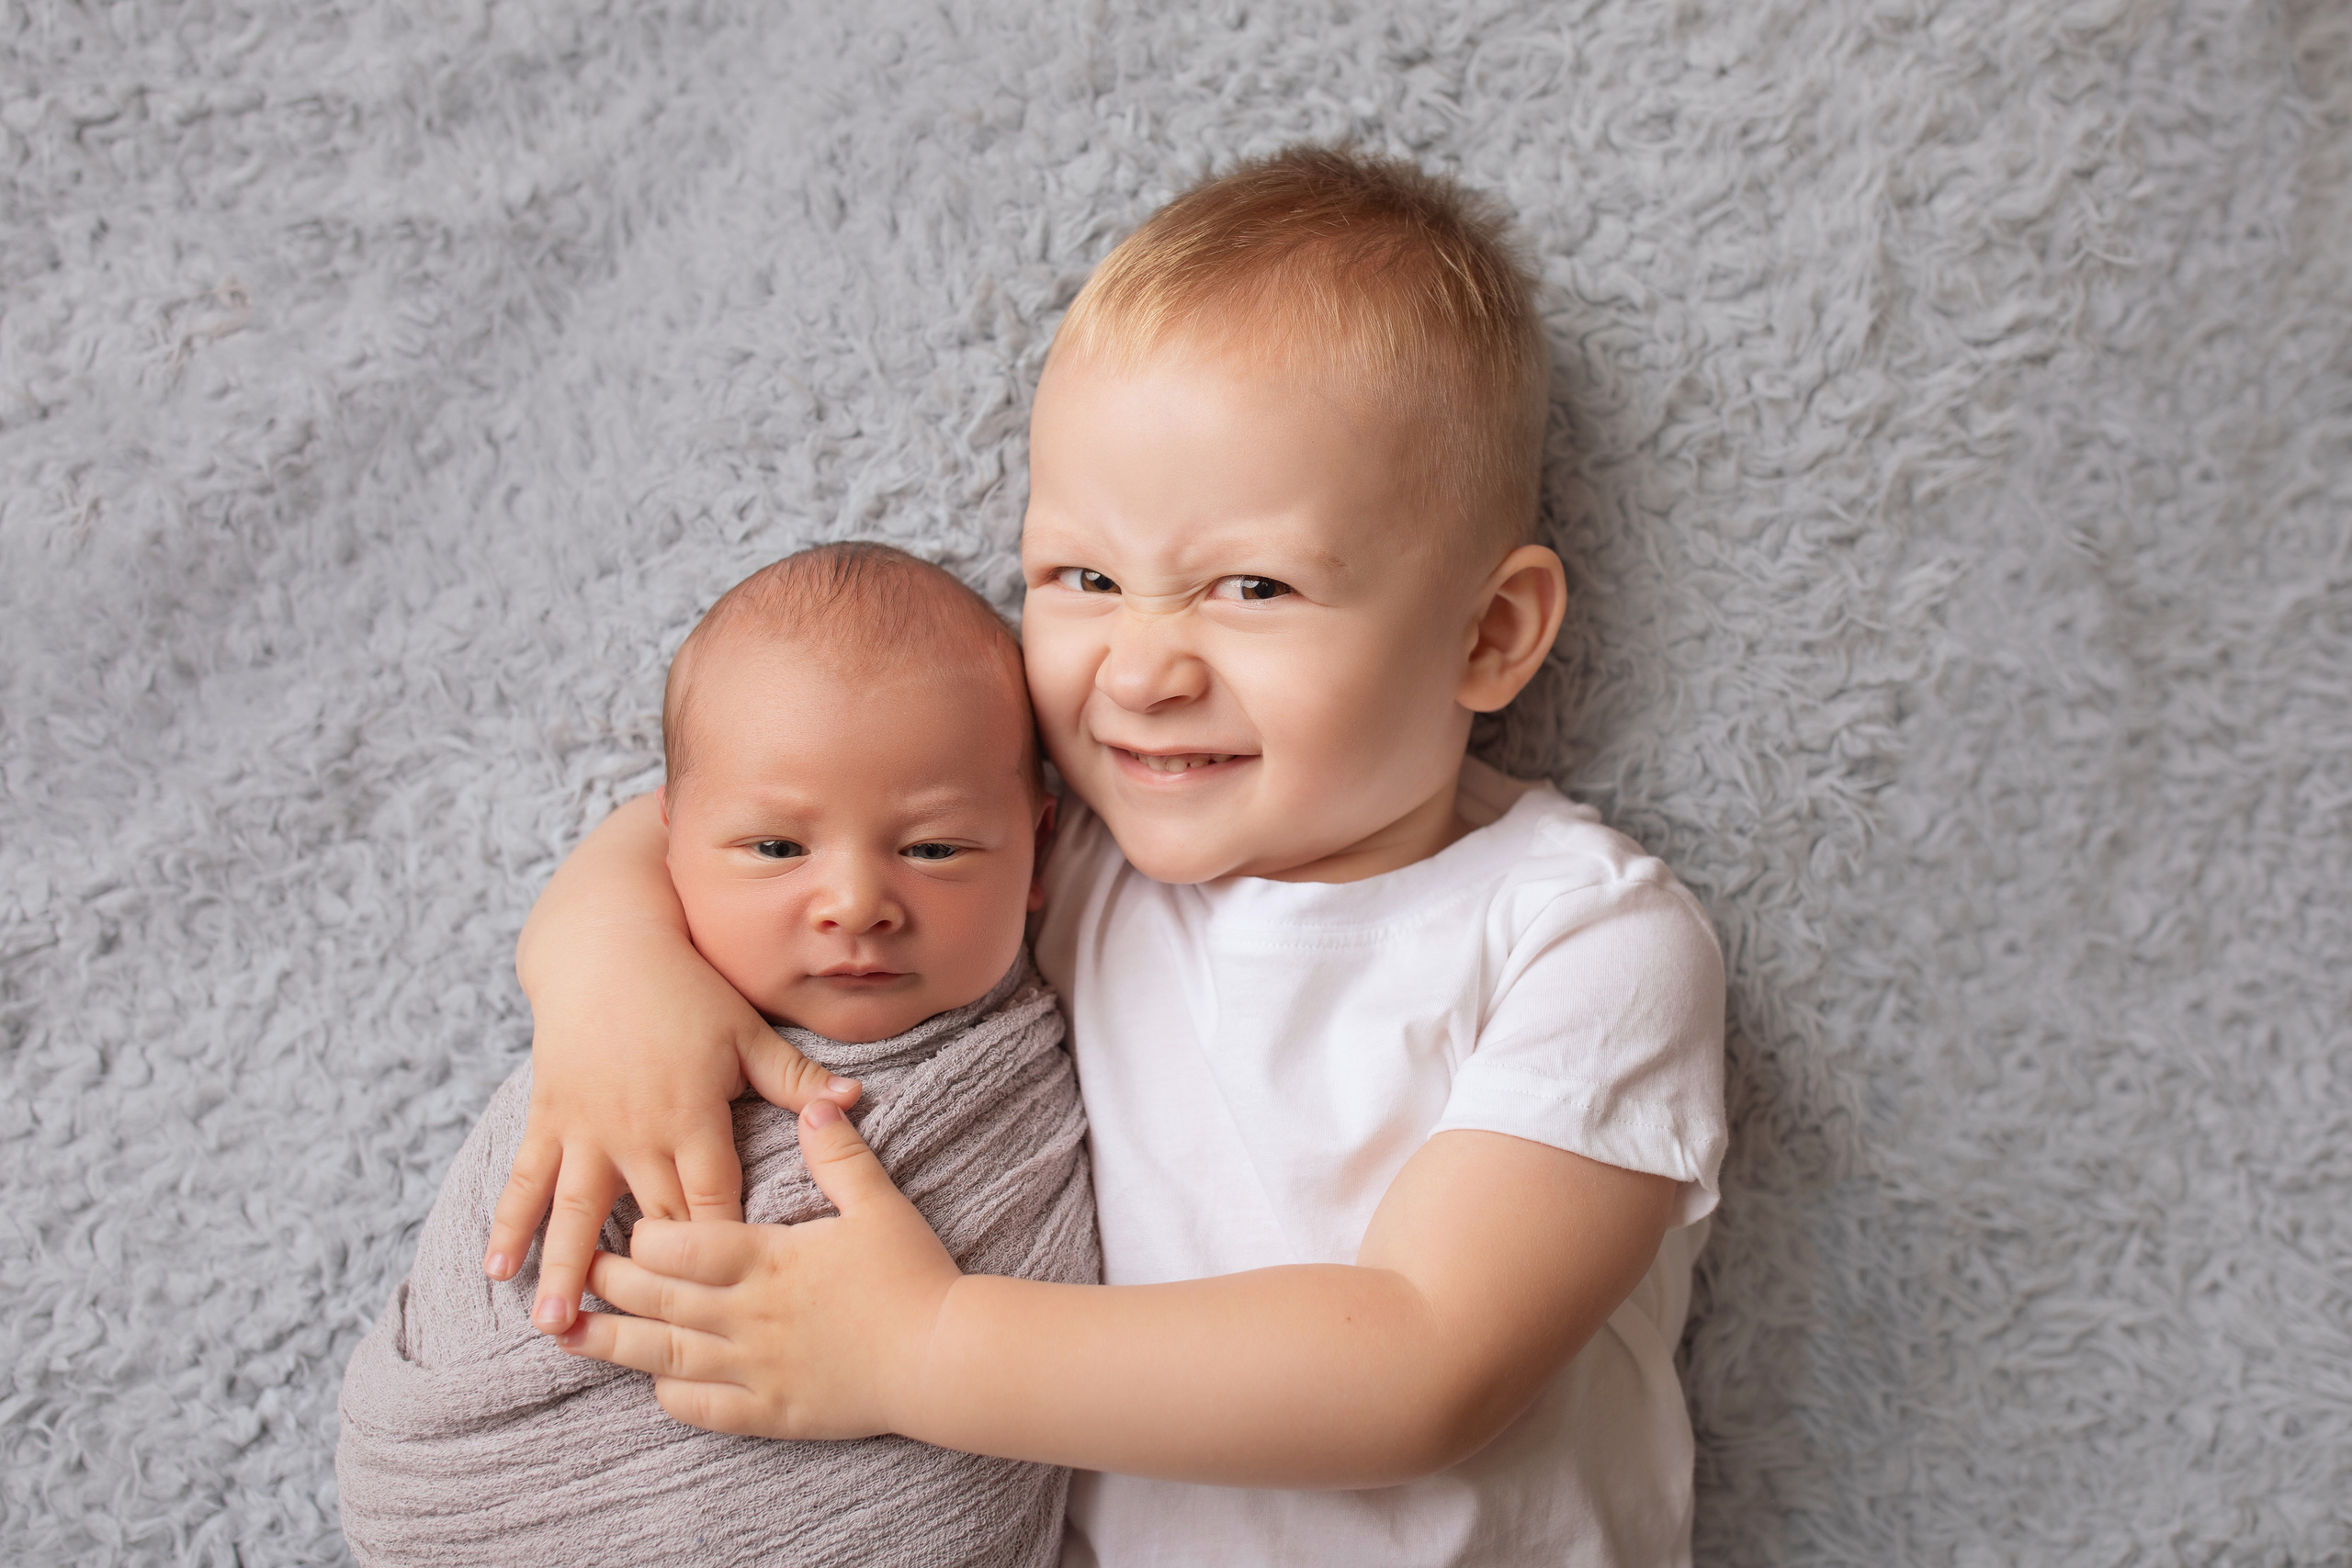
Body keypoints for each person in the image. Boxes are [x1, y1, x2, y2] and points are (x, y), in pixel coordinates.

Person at [492, 146, 1729, 1567]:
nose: (1140, 671)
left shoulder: (1585, 938)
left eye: (1250, 586)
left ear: (1489, 634)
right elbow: (701, 821)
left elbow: (1426, 1357)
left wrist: (923, 1345)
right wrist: (608, 978)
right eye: (1081, 577)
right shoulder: (1060, 849)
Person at [336, 544, 1097, 1567]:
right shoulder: (632, 989)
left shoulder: (1051, 1007)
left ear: (1040, 852)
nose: (856, 904)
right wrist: (607, 961)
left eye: (933, 848)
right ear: (674, 842)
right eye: (779, 849)